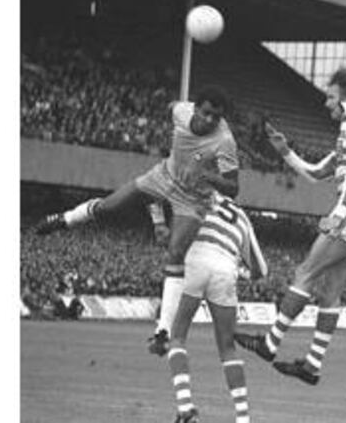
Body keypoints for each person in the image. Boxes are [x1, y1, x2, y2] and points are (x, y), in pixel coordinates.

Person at [33, 86, 240, 353]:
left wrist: (212, 178)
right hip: (162, 177)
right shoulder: (180, 111)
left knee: (175, 253)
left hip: (193, 199)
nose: (211, 120)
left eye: (216, 117)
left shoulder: (224, 141)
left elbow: (233, 189)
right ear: (196, 108)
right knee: (109, 206)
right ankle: (65, 218)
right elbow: (169, 106)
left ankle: (163, 332)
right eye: (207, 113)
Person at [234, 66, 346, 385]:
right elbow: (317, 173)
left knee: (306, 272)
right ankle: (312, 365)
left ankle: (270, 343)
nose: (326, 103)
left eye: (330, 97)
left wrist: (339, 214)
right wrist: (285, 151)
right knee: (330, 292)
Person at [163, 195, 267, 423]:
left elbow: (178, 230)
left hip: (196, 261)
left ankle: (186, 408)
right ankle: (243, 418)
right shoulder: (241, 215)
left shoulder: (194, 191)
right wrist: (239, 272)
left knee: (177, 336)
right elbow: (261, 269)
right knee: (228, 348)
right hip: (225, 270)